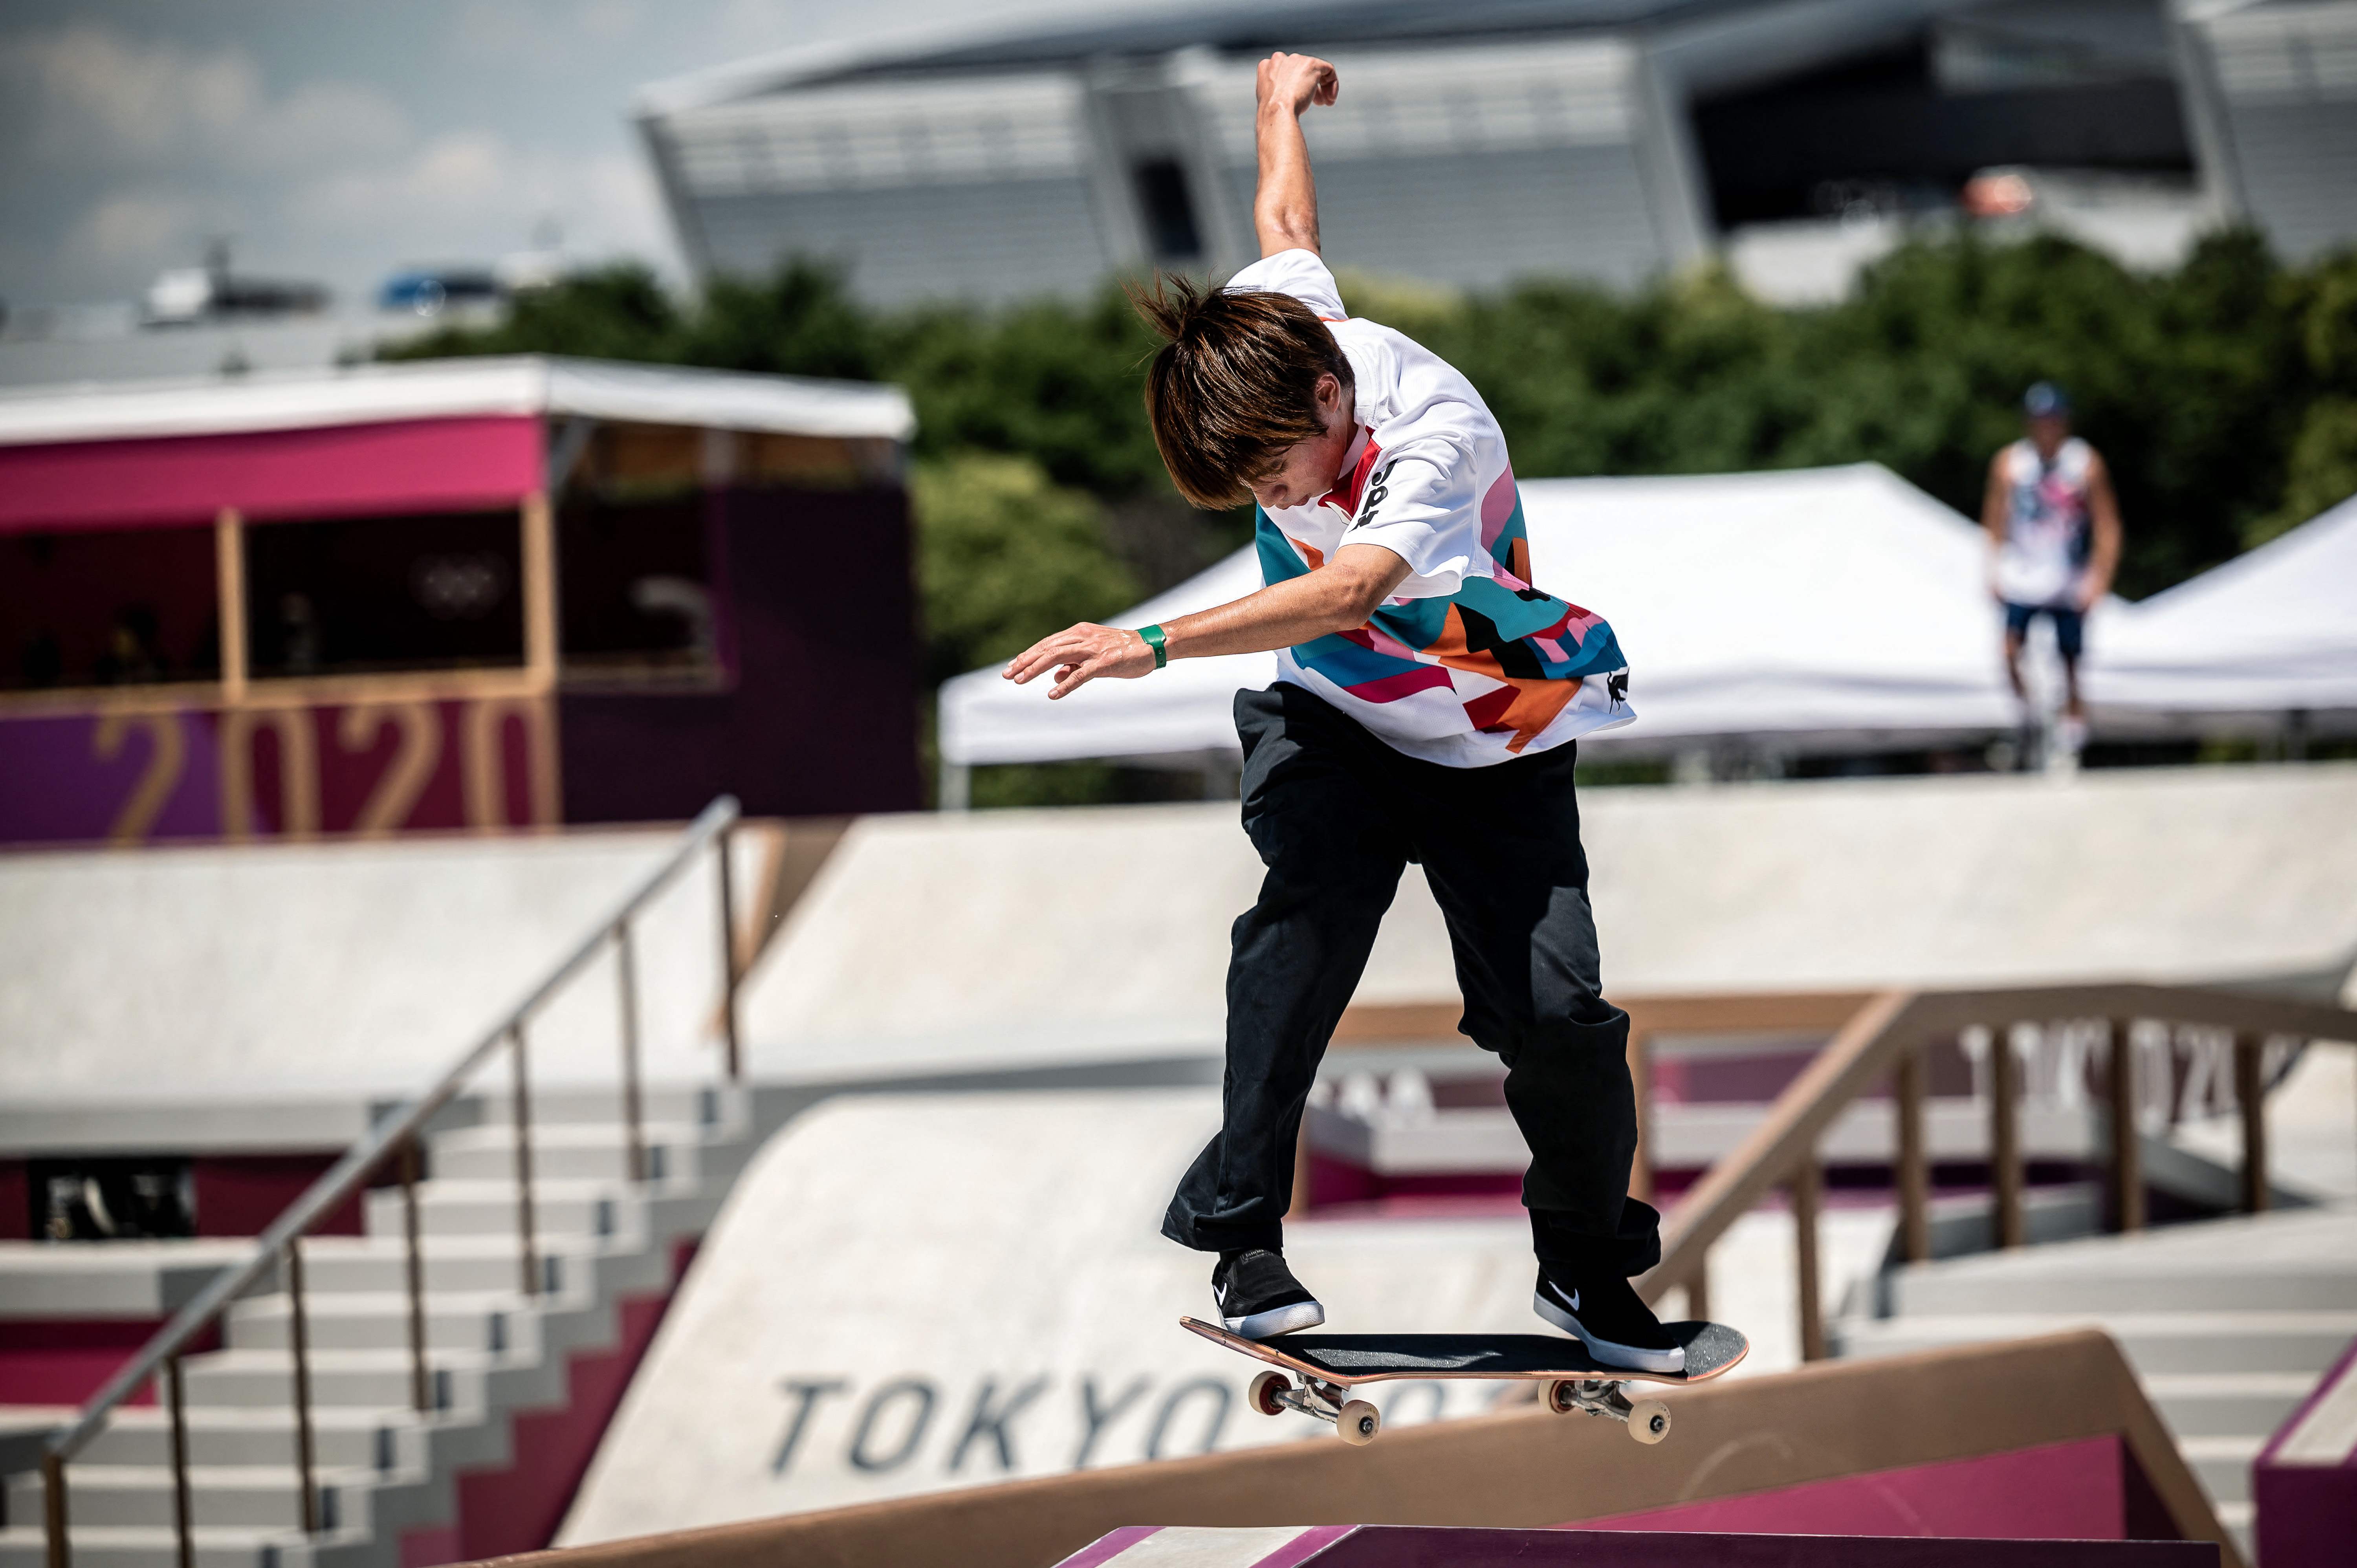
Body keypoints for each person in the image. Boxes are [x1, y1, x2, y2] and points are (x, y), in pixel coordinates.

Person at [1003, 51, 1678, 1371]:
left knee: (1560, 1018)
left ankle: (1586, 1271)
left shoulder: (1436, 436)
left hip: (1494, 741)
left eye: (1271, 471)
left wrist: (1149, 641)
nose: (1269, 491)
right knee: (1304, 932)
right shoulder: (1281, 338)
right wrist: (1273, 105)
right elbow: (1288, 228)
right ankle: (1243, 1233)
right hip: (1334, 724)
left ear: (1334, 401)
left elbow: (1349, 587)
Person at [1983, 383, 2122, 764]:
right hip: (2023, 574)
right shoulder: (2011, 463)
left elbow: (2107, 526)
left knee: (2072, 662)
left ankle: (2071, 735)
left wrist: (2100, 578)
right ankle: (2028, 716)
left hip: (2068, 576)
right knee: (2009, 650)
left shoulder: (2084, 463)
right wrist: (1992, 570)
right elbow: (1994, 520)